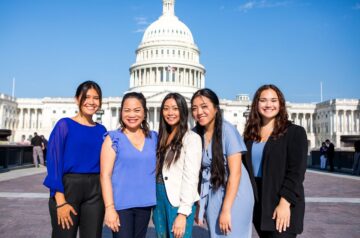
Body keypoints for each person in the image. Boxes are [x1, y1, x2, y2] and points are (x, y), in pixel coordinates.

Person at [43, 81, 106, 238]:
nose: (91, 102)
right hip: (68, 189)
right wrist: (60, 200)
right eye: (86, 97)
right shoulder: (64, 125)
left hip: (95, 191)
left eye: (96, 98)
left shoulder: (101, 130)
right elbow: (54, 163)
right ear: (77, 99)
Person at [243, 84, 307, 238]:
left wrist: (285, 204)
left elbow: (296, 173)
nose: (268, 105)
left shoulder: (294, 132)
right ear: (256, 104)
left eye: (273, 100)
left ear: (280, 104)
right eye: (263, 100)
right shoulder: (250, 136)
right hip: (259, 204)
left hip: (282, 200)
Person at [191, 88, 254, 238]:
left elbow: (236, 173)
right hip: (213, 191)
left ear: (216, 109)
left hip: (235, 193)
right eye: (194, 108)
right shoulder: (195, 133)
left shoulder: (227, 131)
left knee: (232, 233)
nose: (199, 112)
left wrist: (226, 209)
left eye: (204, 106)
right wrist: (200, 201)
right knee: (216, 234)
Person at [100, 92, 157, 238]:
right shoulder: (113, 138)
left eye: (137, 110)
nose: (132, 115)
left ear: (144, 113)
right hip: (120, 206)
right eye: (127, 110)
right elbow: (105, 175)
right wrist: (109, 208)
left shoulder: (154, 137)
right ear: (121, 113)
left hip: (144, 204)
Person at [152, 93, 202, 238]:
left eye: (175, 108)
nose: (170, 113)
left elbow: (191, 178)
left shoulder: (191, 139)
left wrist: (183, 213)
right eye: (166, 108)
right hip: (159, 197)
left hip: (177, 200)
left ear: (182, 111)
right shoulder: (160, 138)